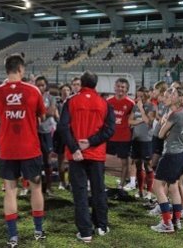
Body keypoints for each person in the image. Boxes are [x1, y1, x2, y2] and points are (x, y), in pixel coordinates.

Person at [0, 54, 47, 248]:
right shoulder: (33, 91)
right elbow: (42, 116)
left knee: (10, 191)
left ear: (6, 69)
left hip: (7, 149)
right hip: (30, 148)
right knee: (36, 188)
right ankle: (38, 231)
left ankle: (13, 236)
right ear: (21, 69)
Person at [58, 71, 115, 243]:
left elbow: (63, 128)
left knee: (80, 192)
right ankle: (102, 226)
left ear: (81, 83)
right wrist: (90, 142)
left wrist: (75, 148)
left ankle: (85, 232)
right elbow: (109, 130)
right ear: (95, 84)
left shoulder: (71, 101)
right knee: (98, 190)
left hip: (77, 156)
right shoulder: (104, 103)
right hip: (96, 154)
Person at [151, 87, 183, 233]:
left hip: (171, 154)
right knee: (173, 187)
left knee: (157, 187)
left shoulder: (174, 114)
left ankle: (167, 223)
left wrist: (165, 125)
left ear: (180, 98)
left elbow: (161, 134)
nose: (168, 96)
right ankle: (176, 220)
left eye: (172, 94)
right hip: (181, 153)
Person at [106, 78, 135, 192]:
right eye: (118, 86)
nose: (120, 89)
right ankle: (100, 183)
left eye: (123, 87)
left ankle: (121, 186)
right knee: (102, 160)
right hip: (109, 136)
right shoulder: (108, 102)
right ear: (114, 87)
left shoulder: (131, 103)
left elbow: (134, 121)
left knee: (124, 162)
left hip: (124, 138)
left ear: (127, 89)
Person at [129, 87, 155, 200]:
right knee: (138, 164)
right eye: (137, 96)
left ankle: (149, 192)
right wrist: (139, 120)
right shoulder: (135, 107)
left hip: (147, 140)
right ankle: (140, 190)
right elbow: (129, 121)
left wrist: (141, 109)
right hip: (136, 139)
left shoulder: (151, 107)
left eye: (140, 96)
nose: (138, 98)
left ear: (145, 96)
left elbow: (149, 121)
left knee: (148, 166)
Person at [35, 75, 57, 195]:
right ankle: (36, 187)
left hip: (47, 132)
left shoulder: (51, 98)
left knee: (48, 161)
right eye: (38, 85)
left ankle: (48, 187)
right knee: (36, 161)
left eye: (42, 85)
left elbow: (51, 112)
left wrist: (39, 114)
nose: (40, 87)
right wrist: (44, 113)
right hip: (35, 133)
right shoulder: (32, 97)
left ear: (46, 86)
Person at [53, 84, 72, 190]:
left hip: (70, 133)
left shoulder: (72, 102)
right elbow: (57, 117)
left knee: (71, 159)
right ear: (60, 92)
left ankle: (70, 181)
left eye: (68, 90)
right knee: (60, 158)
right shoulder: (57, 102)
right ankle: (62, 182)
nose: (66, 91)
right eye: (64, 90)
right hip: (60, 133)